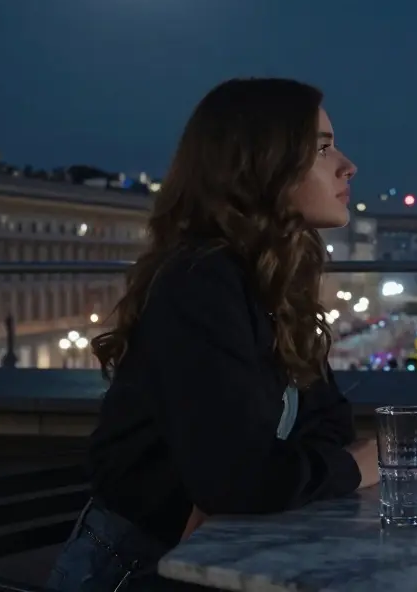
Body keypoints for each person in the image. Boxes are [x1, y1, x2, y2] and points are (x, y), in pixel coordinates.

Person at [47, 78, 379, 592]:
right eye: (322, 149)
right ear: (262, 165)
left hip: (221, 556)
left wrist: (269, 479)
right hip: (137, 573)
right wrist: (349, 469)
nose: (347, 165)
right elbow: (239, 479)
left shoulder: (265, 281)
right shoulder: (200, 283)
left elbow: (327, 423)